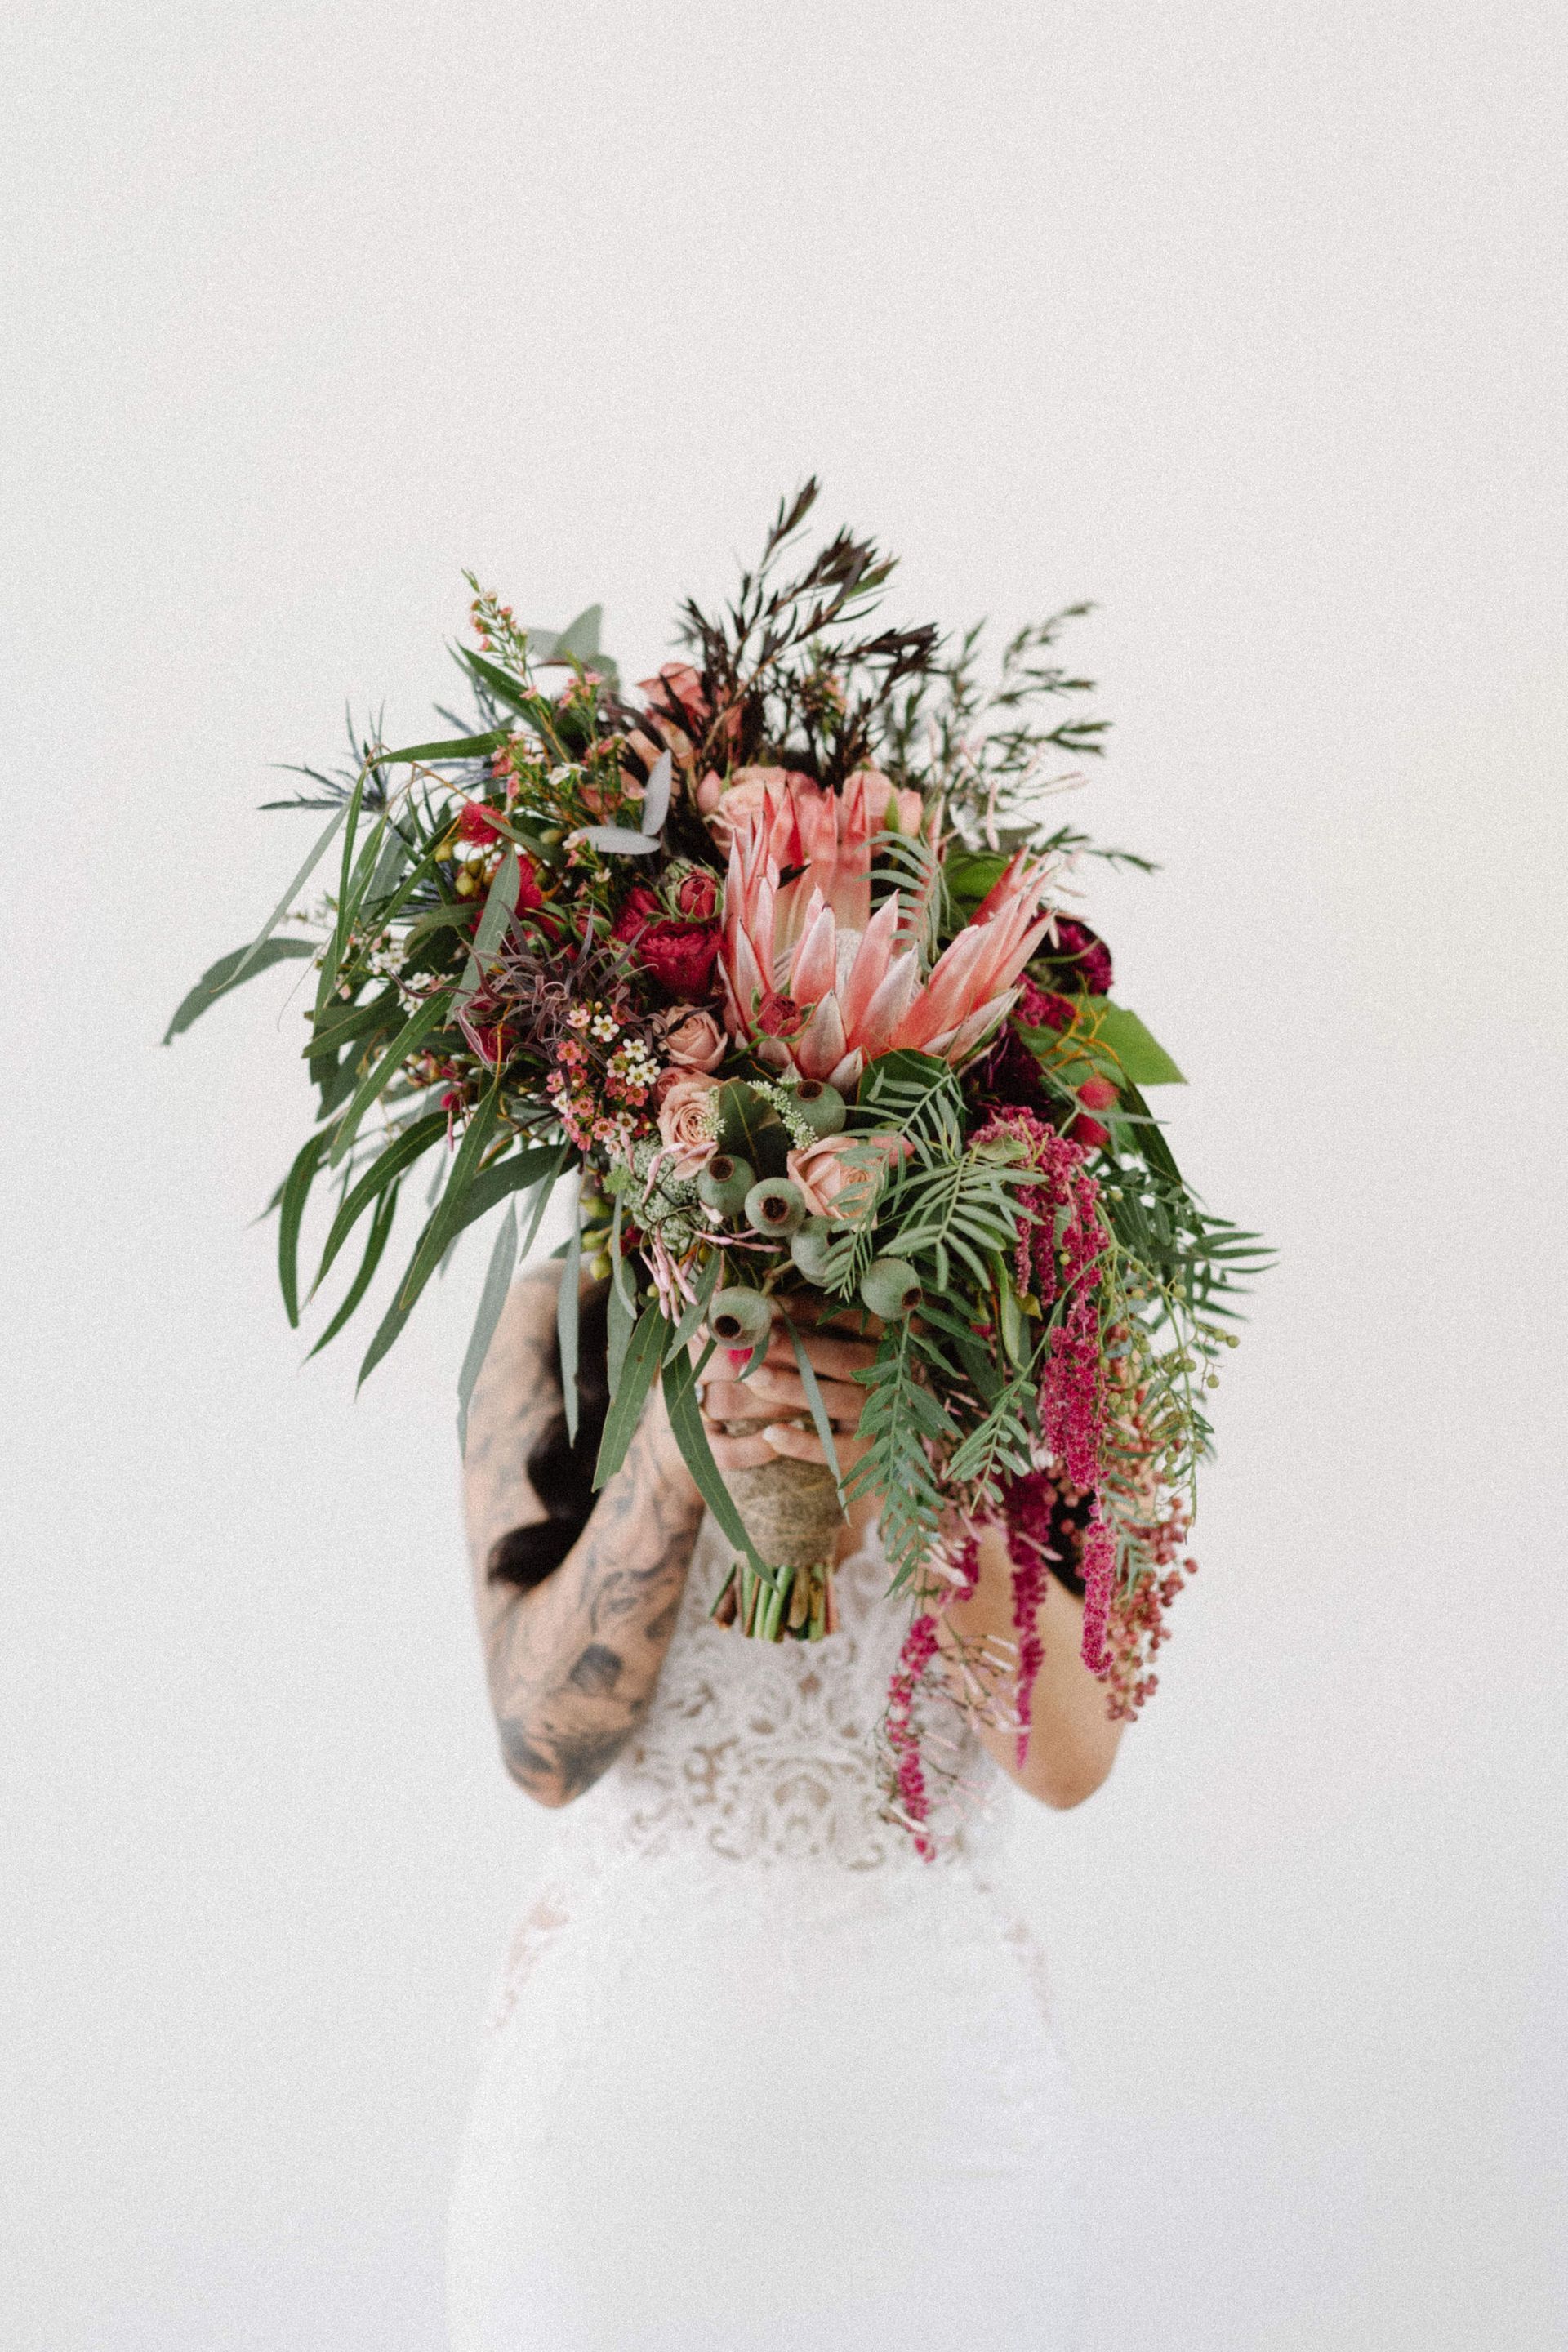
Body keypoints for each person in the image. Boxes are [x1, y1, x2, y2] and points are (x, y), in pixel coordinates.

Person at [446, 1264, 1124, 2352]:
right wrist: (673, 1448)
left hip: (941, 2134)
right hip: (616, 2141)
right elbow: (543, 1751)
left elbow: (1068, 1759)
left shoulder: (1042, 1299)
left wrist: (928, 1456)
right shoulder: (568, 1313)